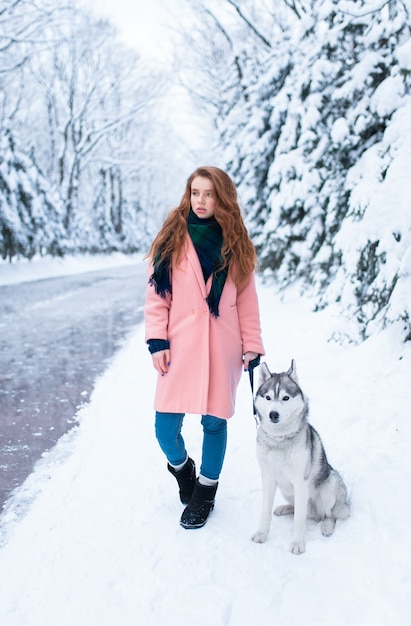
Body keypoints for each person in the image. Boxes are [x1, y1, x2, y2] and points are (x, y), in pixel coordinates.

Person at [144, 166, 264, 529]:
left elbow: (247, 301)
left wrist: (252, 345)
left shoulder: (235, 243)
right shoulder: (170, 240)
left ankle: (205, 493)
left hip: (223, 349)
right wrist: (157, 341)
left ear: (221, 198)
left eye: (209, 194)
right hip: (179, 347)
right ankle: (184, 472)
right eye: (195, 193)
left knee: (214, 423)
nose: (201, 200)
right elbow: (156, 297)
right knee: (165, 427)